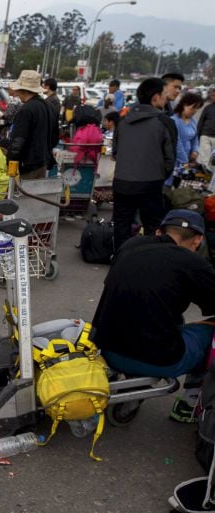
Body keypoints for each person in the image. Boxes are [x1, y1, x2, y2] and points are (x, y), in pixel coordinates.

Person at [91, 209, 215, 423]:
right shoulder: (193, 264)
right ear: (198, 240)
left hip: (107, 349)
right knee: (210, 331)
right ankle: (189, 404)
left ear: (159, 231)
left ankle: (132, 378)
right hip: (159, 359)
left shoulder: (129, 245)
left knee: (165, 317)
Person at [111, 77, 176, 251]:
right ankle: (146, 264)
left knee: (121, 225)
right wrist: (159, 175)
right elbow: (170, 159)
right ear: (155, 97)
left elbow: (115, 152)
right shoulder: (164, 122)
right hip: (151, 183)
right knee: (152, 227)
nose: (166, 98)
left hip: (122, 182)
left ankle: (120, 261)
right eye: (164, 94)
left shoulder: (123, 120)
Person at [7, 70, 59, 179]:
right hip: (42, 162)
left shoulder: (26, 109)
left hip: (27, 164)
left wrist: (11, 161)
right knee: (35, 194)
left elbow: (18, 140)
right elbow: (55, 136)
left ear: (23, 90)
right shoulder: (47, 106)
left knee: (22, 195)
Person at [167, 92, 204, 185]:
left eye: (197, 108)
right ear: (184, 104)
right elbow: (177, 144)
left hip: (187, 159)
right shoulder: (174, 121)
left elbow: (195, 138)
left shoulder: (193, 121)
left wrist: (195, 150)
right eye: (193, 108)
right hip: (175, 160)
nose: (195, 111)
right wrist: (185, 162)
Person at [198, 87, 215, 172]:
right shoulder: (207, 108)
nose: (213, 97)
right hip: (205, 135)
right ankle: (205, 176)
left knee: (213, 160)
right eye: (212, 95)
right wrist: (198, 136)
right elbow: (201, 121)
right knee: (205, 158)